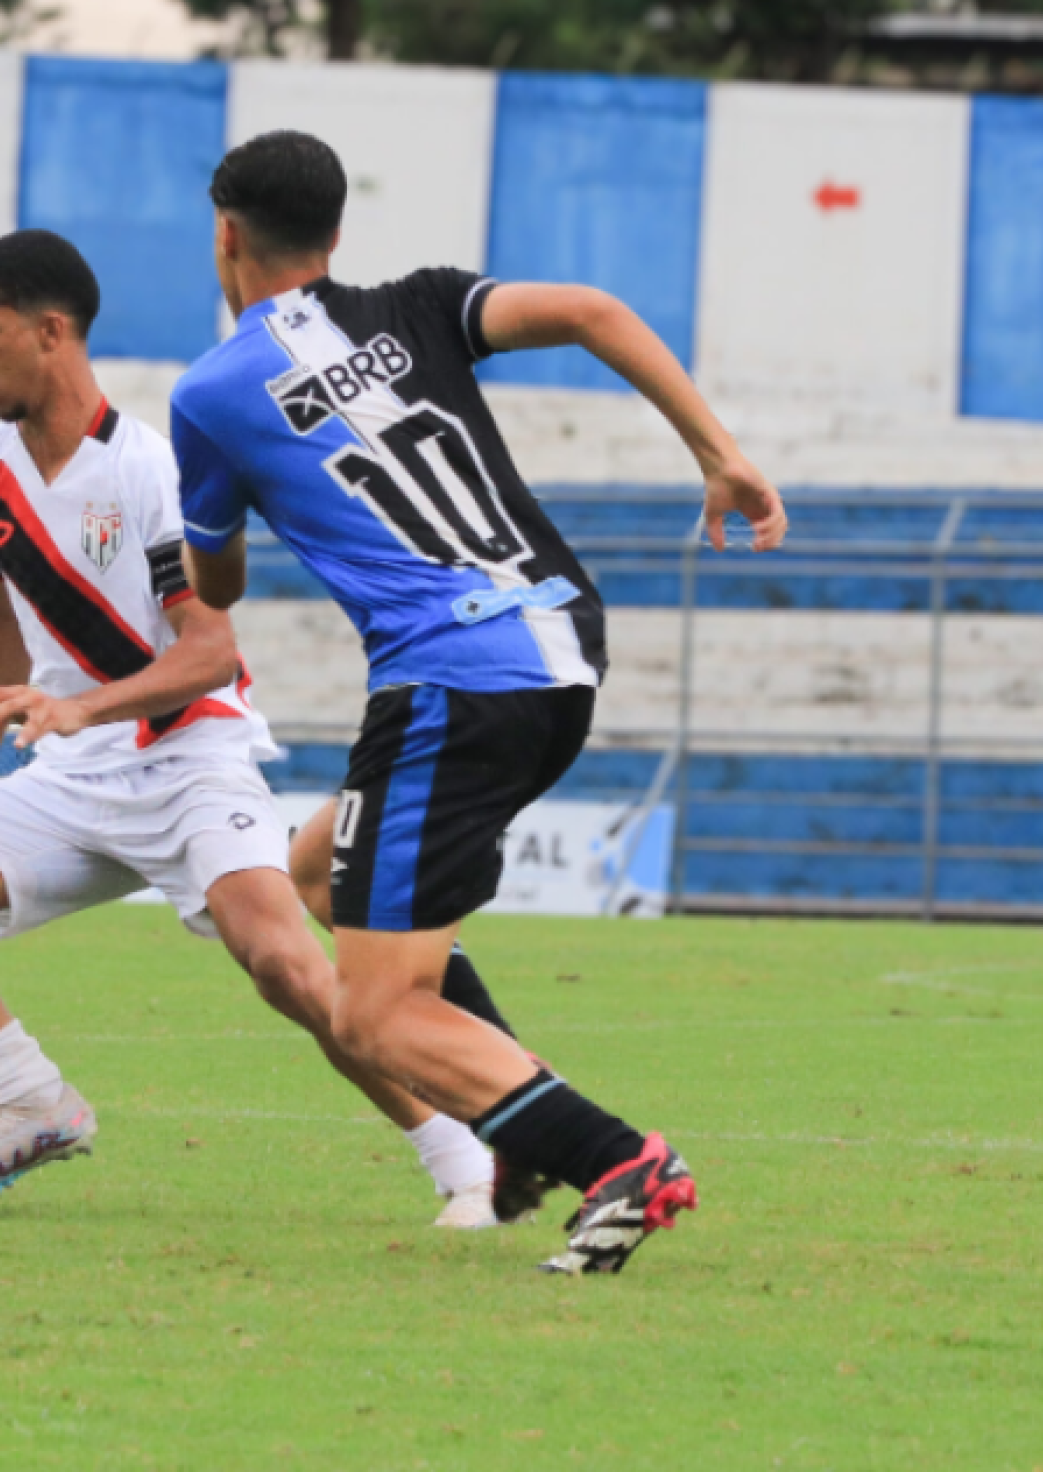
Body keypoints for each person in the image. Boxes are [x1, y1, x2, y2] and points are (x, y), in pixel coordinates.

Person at [169, 131, 787, 1274]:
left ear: (226, 235)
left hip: (449, 678)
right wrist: (721, 455)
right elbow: (598, 309)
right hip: (558, 644)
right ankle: (519, 1133)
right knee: (317, 870)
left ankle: (617, 1159)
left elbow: (217, 585)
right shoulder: (420, 304)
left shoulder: (209, 394)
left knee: (368, 1014)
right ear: (337, 235)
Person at [0, 229, 502, 1224]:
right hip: (69, 777)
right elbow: (4, 616)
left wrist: (83, 704)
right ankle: (30, 1097)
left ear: (52, 332)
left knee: (282, 961)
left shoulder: (153, 469)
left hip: (190, 757)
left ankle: (460, 1156)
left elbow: (208, 651)